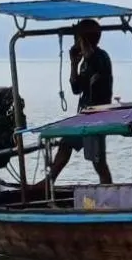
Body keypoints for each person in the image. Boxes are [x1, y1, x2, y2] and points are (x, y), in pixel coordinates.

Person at [46, 18, 113, 186]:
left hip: (96, 116)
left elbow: (95, 63)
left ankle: (107, 188)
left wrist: (82, 43)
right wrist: (73, 64)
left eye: (77, 37)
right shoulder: (85, 62)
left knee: (97, 160)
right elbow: (76, 88)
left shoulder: (100, 57)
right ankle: (49, 182)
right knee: (67, 144)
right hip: (86, 116)